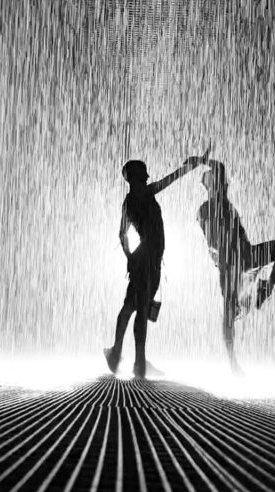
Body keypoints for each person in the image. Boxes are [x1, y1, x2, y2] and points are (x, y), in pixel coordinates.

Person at [104, 149, 209, 378]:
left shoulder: (139, 197)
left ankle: (120, 354)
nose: (145, 179)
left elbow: (122, 234)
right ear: (135, 179)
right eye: (141, 176)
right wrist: (131, 256)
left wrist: (189, 167)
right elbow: (122, 233)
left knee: (133, 307)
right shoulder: (136, 199)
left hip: (149, 260)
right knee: (138, 309)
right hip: (146, 261)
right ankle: (135, 361)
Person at [197, 160, 275, 374]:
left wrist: (200, 161)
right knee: (229, 310)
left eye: (223, 182)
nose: (225, 185)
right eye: (220, 182)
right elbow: (211, 242)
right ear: (211, 186)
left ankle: (266, 287)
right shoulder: (207, 208)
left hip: (246, 256)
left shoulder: (222, 203)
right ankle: (233, 361)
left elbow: (221, 167)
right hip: (231, 262)